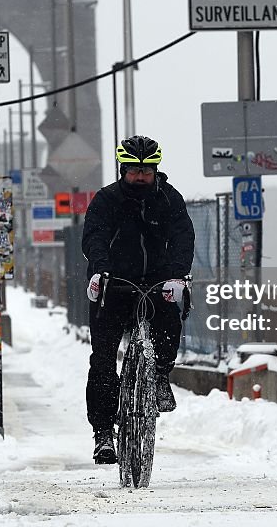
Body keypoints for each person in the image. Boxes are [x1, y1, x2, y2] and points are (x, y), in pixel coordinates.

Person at [81, 135, 195, 465]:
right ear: (123, 169)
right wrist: (100, 270)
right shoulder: (106, 201)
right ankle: (103, 433)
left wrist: (178, 275)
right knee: (102, 359)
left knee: (169, 320)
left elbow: (183, 238)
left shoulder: (170, 200)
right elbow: (94, 237)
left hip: (157, 283)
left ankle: (159, 376)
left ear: (156, 169)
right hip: (114, 285)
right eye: (134, 170)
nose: (141, 176)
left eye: (147, 170)